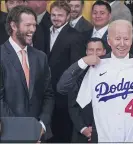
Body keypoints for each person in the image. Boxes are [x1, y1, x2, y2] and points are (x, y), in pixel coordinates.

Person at [76, 20, 133, 142]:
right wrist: (83, 62)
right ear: (108, 40)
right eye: (117, 38)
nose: (122, 43)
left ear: (132, 40)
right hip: (104, 138)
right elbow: (71, 94)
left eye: (126, 39)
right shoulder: (96, 67)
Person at [0, 6, 55, 142]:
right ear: (13, 25)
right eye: (28, 25)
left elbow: (48, 94)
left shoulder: (40, 57)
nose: (32, 30)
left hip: (39, 134)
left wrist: (41, 124)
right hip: (8, 133)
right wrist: (23, 129)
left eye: (34, 25)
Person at [44, 1, 85, 142]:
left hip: (63, 96)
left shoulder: (75, 36)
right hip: (44, 93)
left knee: (61, 134)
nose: (56, 18)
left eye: (60, 15)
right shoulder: (43, 32)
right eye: (53, 15)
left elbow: (76, 70)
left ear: (68, 16)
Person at [57, 38, 106, 142]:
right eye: (91, 50)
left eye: (98, 50)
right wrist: (83, 129)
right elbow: (64, 91)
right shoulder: (79, 72)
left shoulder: (113, 72)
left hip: (107, 132)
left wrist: (99, 130)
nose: (94, 53)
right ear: (86, 52)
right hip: (82, 133)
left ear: (104, 52)